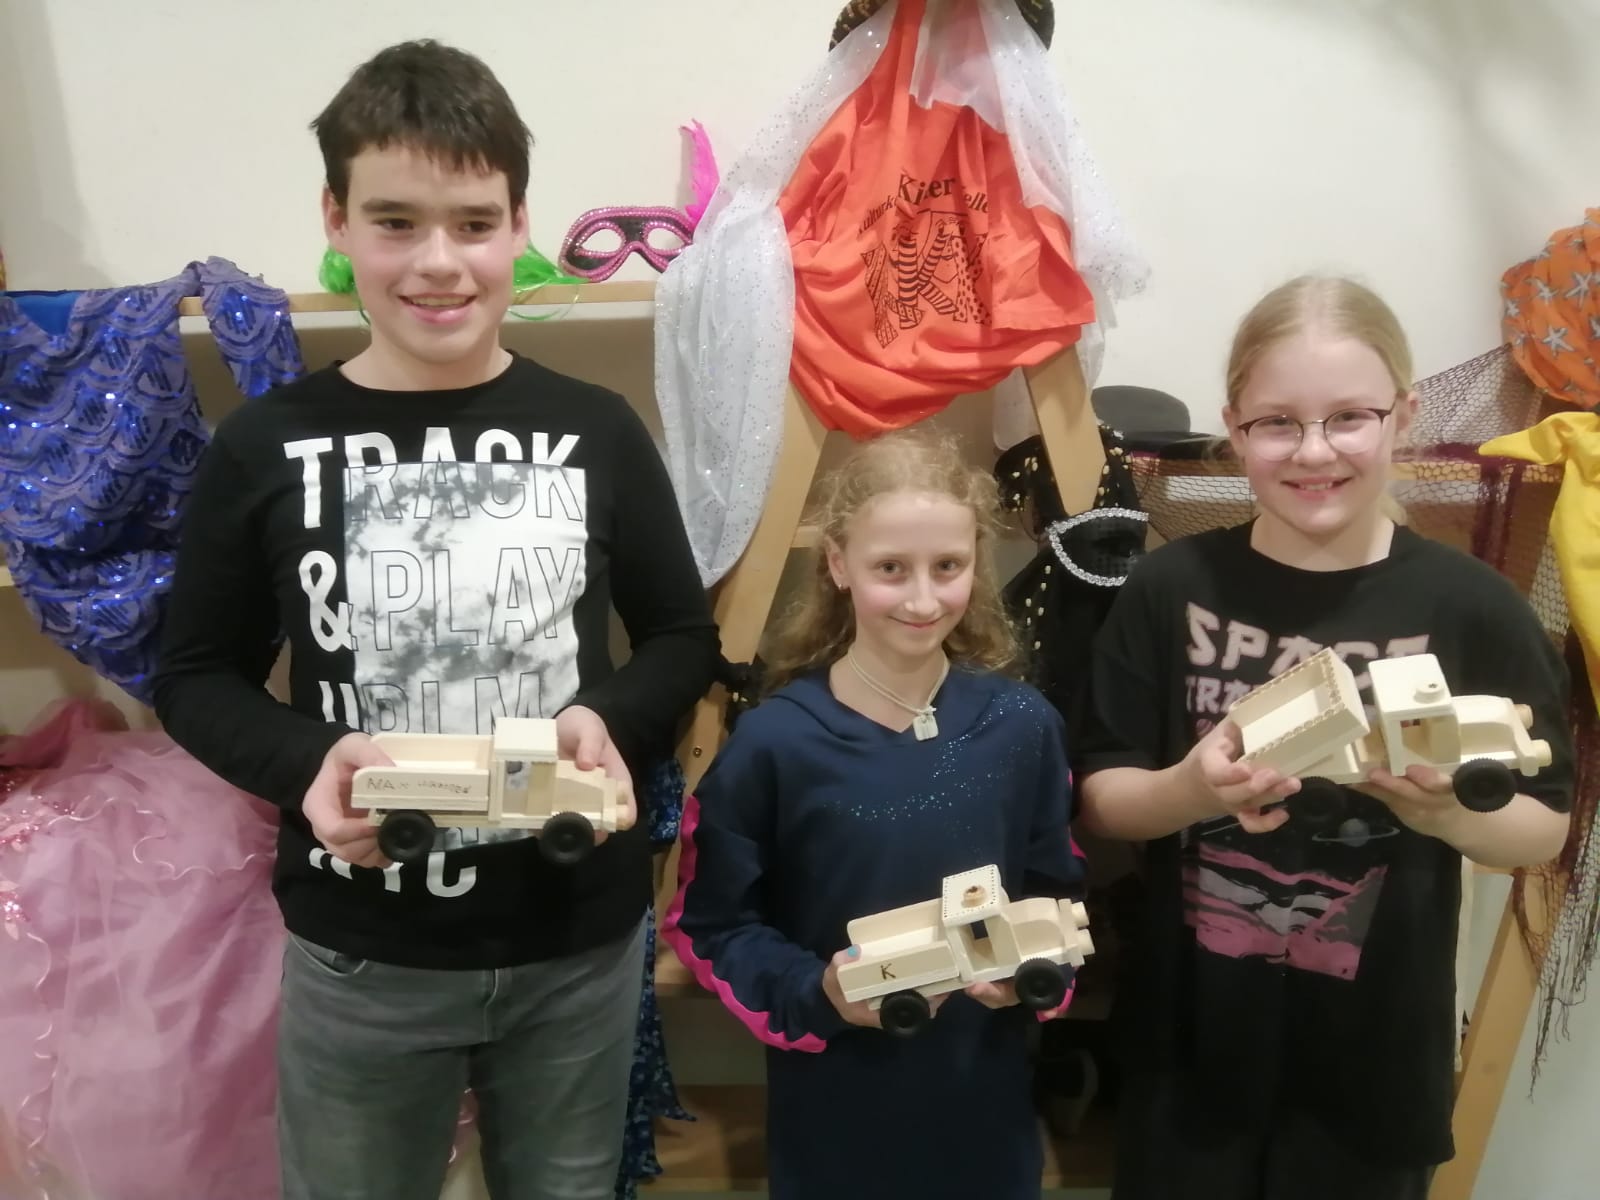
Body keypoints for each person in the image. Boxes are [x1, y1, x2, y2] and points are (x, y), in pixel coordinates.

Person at [152, 40, 717, 1200]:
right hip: (364, 953)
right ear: (337, 219)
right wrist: (309, 761)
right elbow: (195, 674)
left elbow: (680, 639)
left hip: (576, 943)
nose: (439, 262)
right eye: (396, 222)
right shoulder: (264, 446)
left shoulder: (599, 430)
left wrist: (610, 719)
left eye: (473, 222)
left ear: (519, 223)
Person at [1074, 276, 1575, 1200]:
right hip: (1189, 1052)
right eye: (1277, 423)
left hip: (1375, 1065)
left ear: (1404, 416)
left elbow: (1543, 828)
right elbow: (1103, 799)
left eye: (1349, 417)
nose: (1314, 451)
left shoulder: (1474, 607)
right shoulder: (1169, 587)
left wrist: (1444, 815)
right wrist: (1192, 789)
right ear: (1235, 428)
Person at [663, 428, 1086, 1200]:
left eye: (947, 567)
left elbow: (1055, 890)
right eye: (891, 568)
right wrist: (817, 991)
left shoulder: (1023, 727)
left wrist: (1039, 967)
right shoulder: (774, 742)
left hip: (983, 1114)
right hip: (837, 1118)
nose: (923, 600)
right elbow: (711, 925)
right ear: (838, 564)